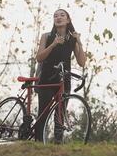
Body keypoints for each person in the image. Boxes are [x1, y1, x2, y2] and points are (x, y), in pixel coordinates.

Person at [35, 9, 86, 142]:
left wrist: (79, 42)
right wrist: (53, 44)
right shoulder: (46, 36)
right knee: (43, 114)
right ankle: (38, 144)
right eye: (55, 15)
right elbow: (39, 58)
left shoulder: (72, 40)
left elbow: (82, 62)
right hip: (47, 79)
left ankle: (58, 146)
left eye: (62, 15)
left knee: (60, 115)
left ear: (68, 20)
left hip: (64, 79)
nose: (58, 17)